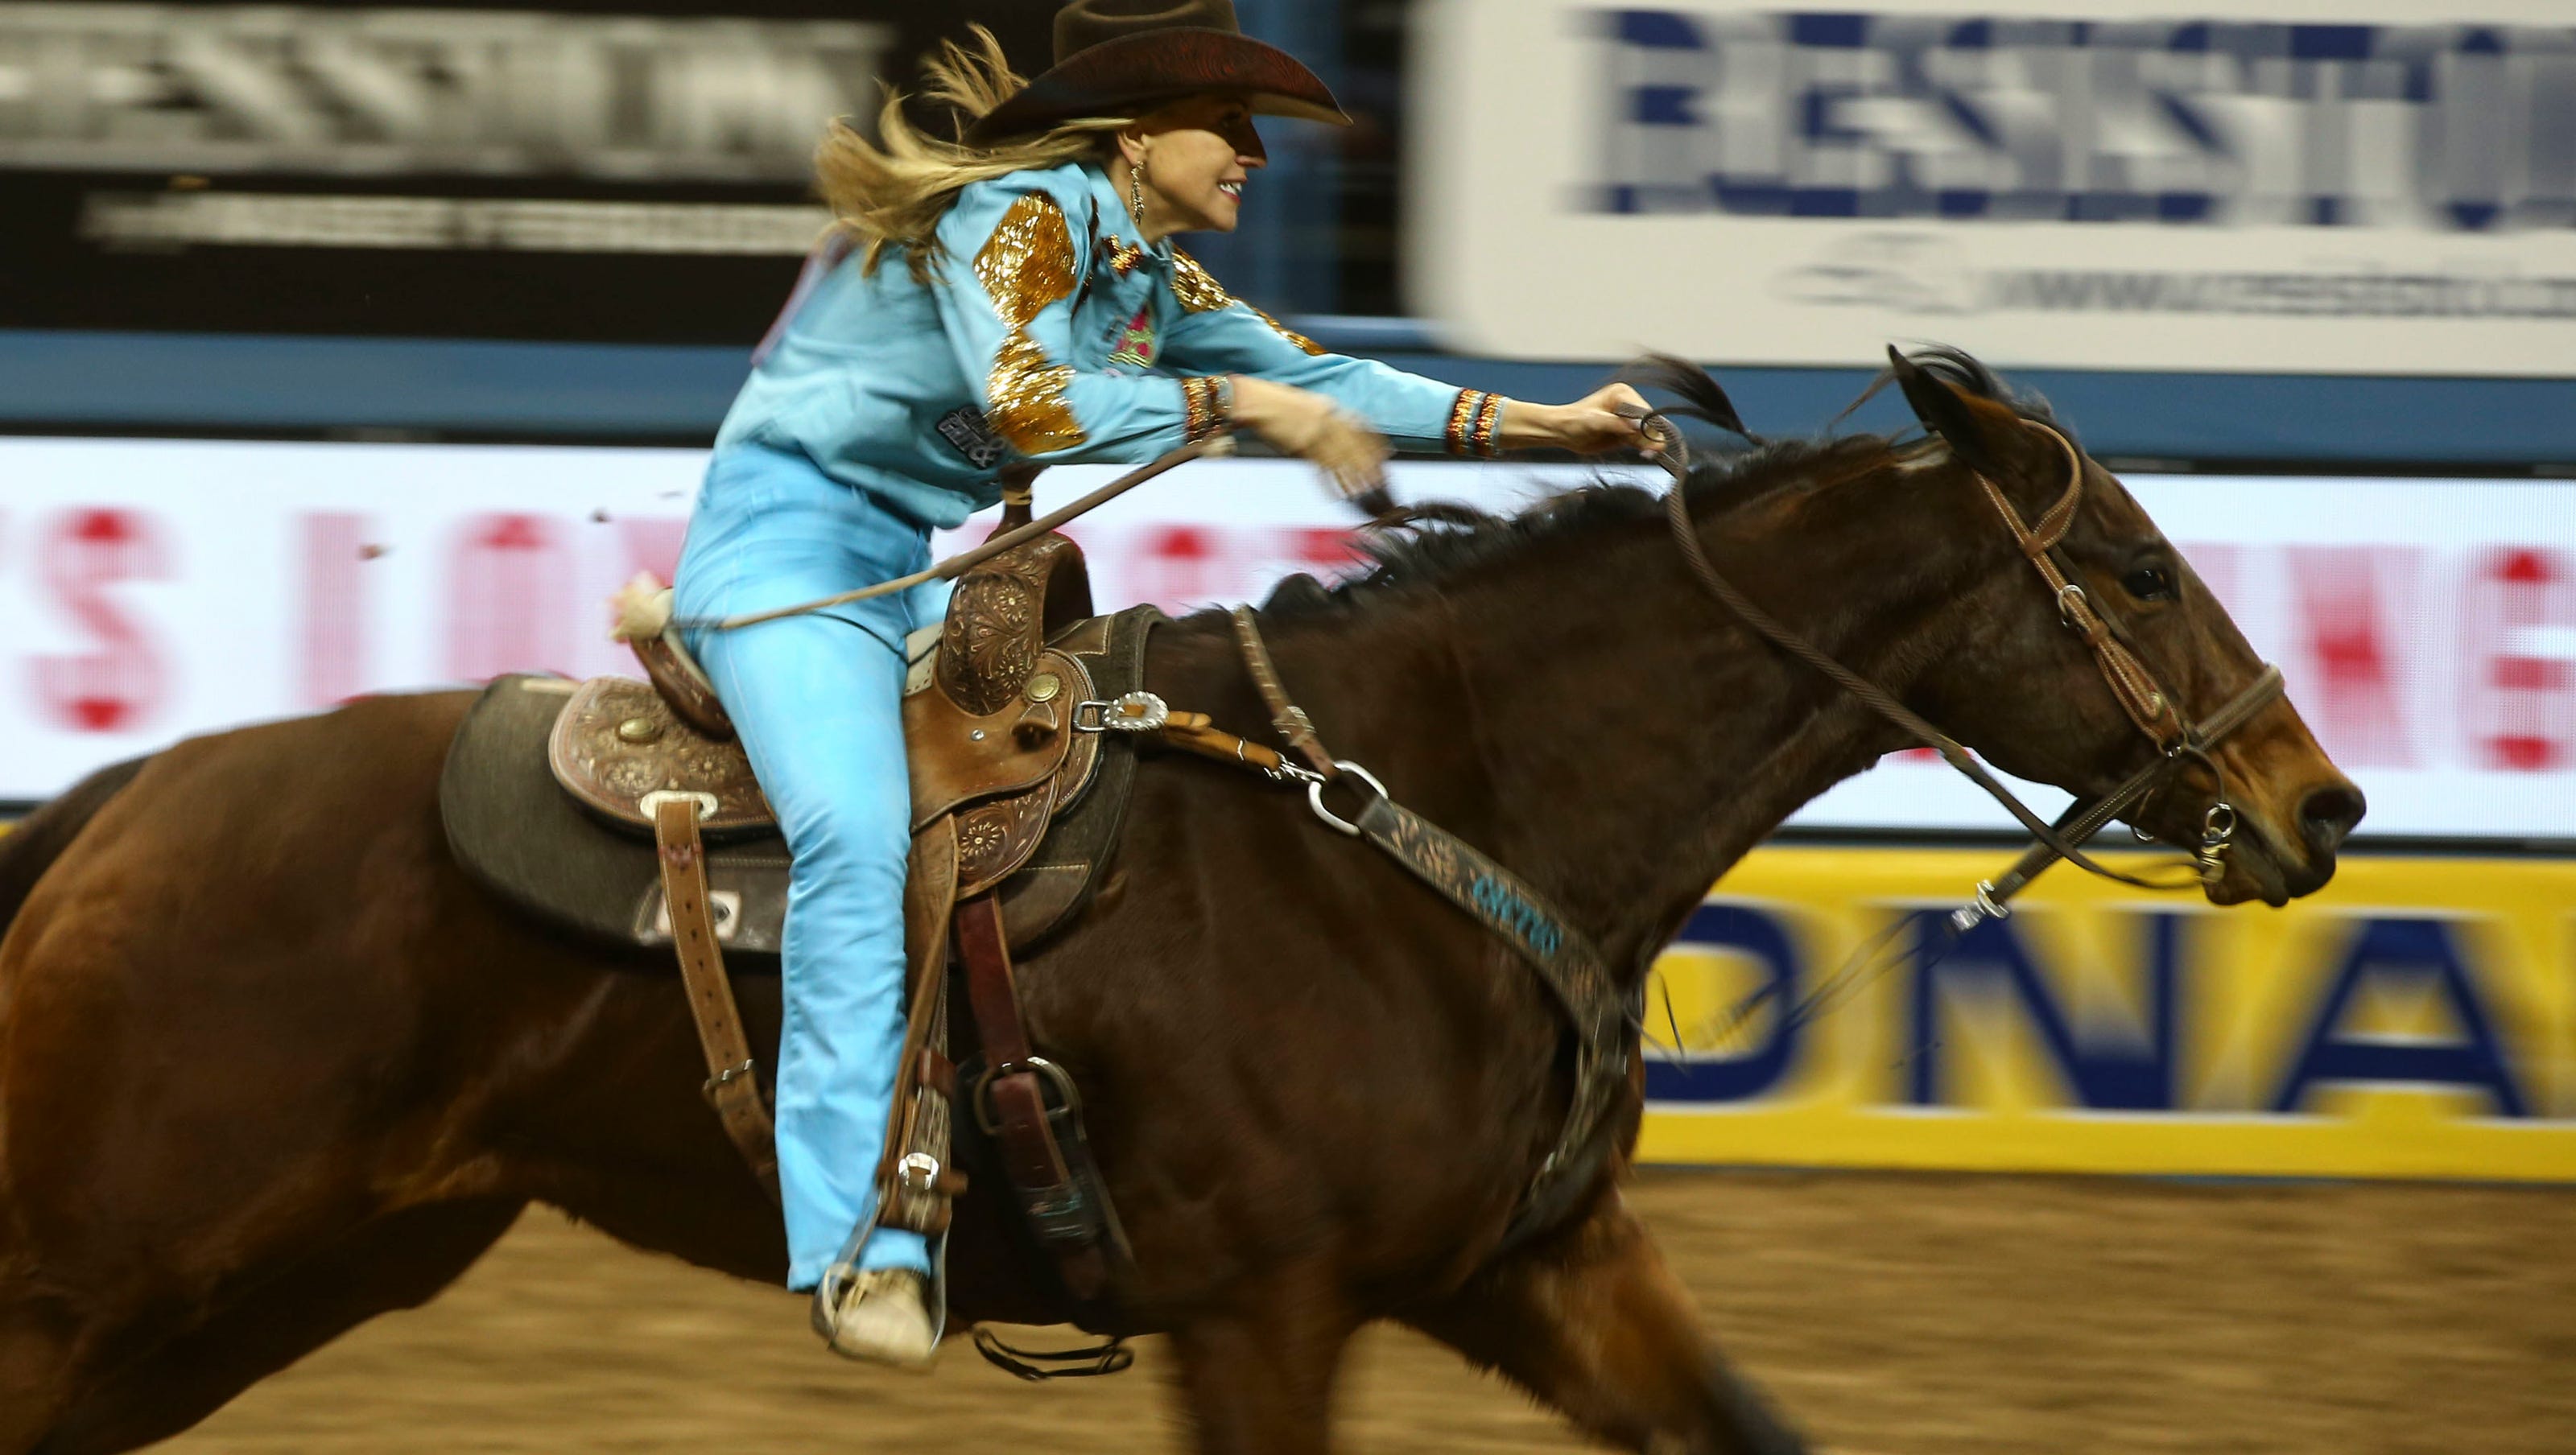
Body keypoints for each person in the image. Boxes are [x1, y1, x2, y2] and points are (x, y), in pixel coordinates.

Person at [671, 0, 1651, 1367]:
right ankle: (856, 1237)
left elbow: (1319, 375)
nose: (1256, 154)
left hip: (897, 571)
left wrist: (1549, 422)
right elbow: (1029, 400)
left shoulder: (1148, 279)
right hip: (782, 558)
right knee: (853, 832)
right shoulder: (1023, 215)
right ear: (1136, 135)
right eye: (1230, 124)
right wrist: (1241, 405)